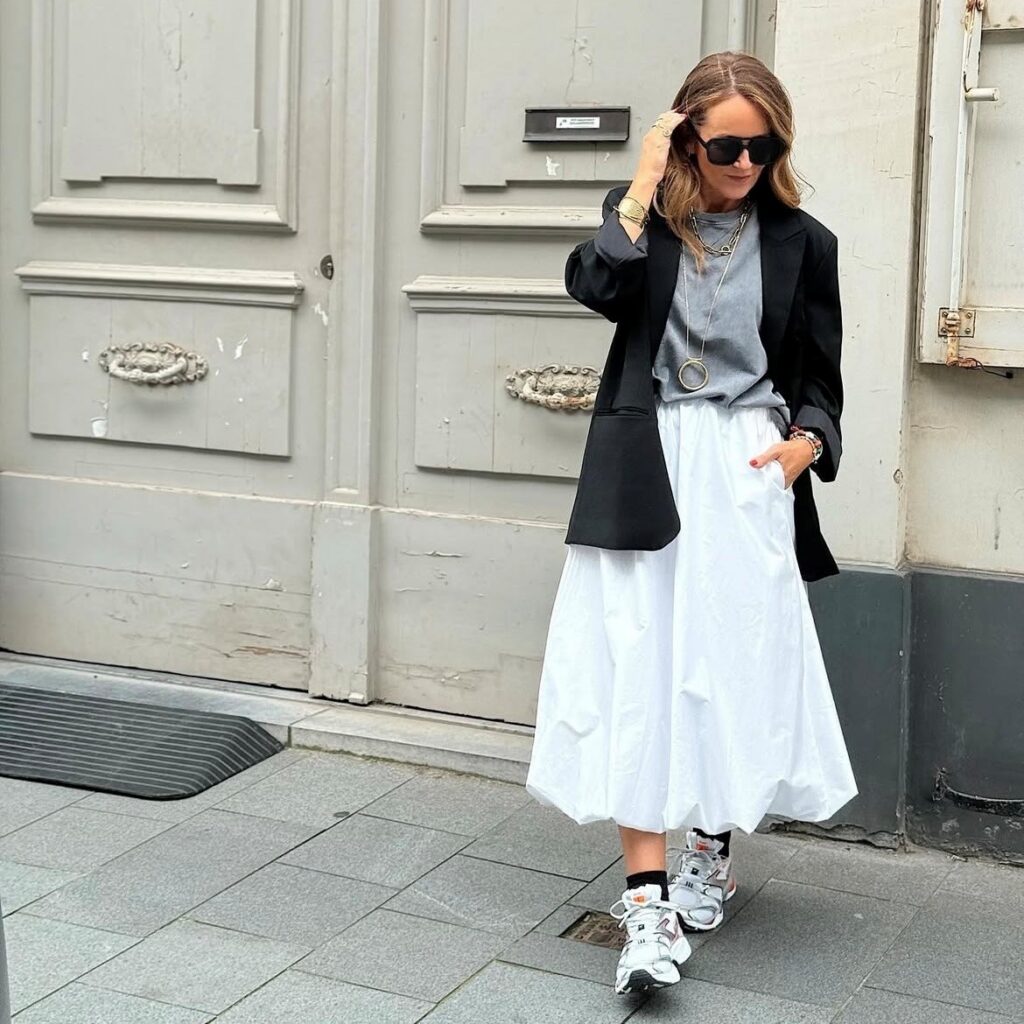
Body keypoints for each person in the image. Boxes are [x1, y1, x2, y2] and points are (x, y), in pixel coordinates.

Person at [524, 51, 858, 996]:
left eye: (764, 145)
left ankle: (711, 844)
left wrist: (808, 443)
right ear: (686, 139)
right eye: (725, 145)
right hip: (646, 465)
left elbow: (822, 379)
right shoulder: (644, 229)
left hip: (747, 469)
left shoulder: (804, 242)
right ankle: (645, 908)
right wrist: (641, 181)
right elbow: (593, 285)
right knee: (640, 669)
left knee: (730, 663)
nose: (745, 162)